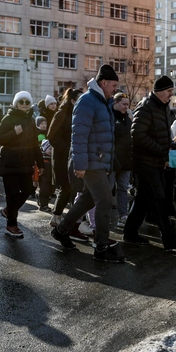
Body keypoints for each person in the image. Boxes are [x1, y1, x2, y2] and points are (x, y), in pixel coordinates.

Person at [50, 65, 125, 262]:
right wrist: (80, 164)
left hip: (99, 161)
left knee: (88, 200)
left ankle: (61, 230)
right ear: (104, 83)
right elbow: (79, 135)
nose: (116, 89)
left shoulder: (103, 101)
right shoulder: (87, 101)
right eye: (114, 85)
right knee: (105, 201)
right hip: (91, 162)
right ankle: (101, 247)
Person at [124, 75, 176, 251]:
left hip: (157, 161)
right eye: (169, 91)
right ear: (159, 92)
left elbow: (164, 135)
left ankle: (130, 233)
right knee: (158, 199)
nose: (171, 95)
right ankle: (169, 238)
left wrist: (166, 155)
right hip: (145, 162)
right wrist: (159, 150)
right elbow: (137, 134)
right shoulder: (146, 107)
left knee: (143, 200)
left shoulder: (163, 108)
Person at [0, 91, 44, 237]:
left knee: (28, 189)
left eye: (26, 102)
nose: (23, 104)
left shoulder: (30, 120)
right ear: (16, 103)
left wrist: (41, 164)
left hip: (26, 163)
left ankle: (8, 211)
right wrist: (13, 133)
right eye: (21, 102)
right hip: (10, 163)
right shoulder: (8, 118)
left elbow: (35, 144)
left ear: (30, 105)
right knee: (12, 194)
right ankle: (11, 225)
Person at [46, 88, 83, 228]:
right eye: (79, 99)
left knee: (71, 187)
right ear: (72, 101)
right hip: (62, 156)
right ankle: (57, 215)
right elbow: (51, 135)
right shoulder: (62, 114)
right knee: (66, 186)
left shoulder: (77, 113)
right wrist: (67, 148)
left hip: (72, 154)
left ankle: (61, 215)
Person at [112, 92, 133, 227]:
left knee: (122, 188)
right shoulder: (110, 117)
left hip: (126, 161)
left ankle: (123, 215)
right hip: (112, 161)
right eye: (124, 104)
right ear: (116, 103)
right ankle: (100, 219)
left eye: (127, 104)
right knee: (107, 190)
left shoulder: (128, 119)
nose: (126, 107)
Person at [35, 116, 54, 213]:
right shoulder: (37, 134)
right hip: (44, 164)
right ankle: (43, 205)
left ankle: (43, 198)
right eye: (41, 124)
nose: (44, 125)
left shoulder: (48, 133)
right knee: (44, 187)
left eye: (45, 124)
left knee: (51, 187)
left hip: (51, 166)